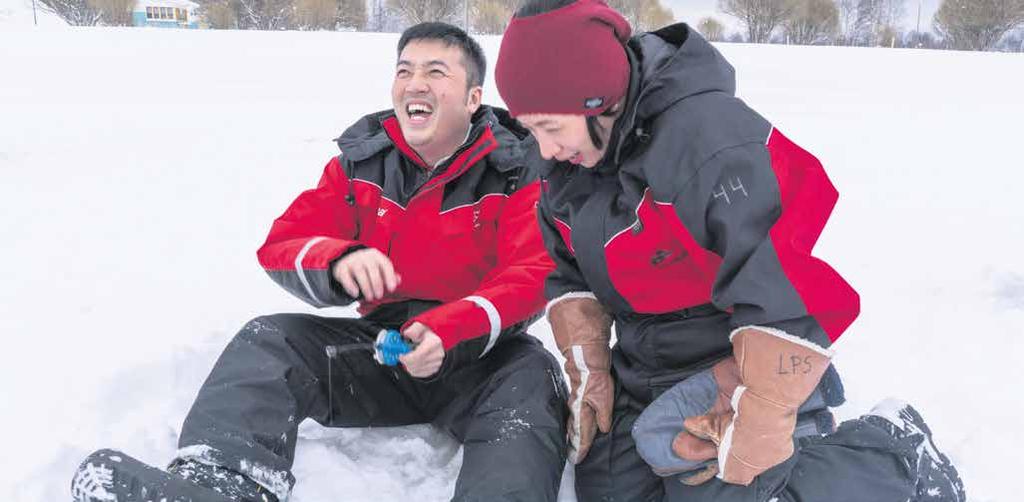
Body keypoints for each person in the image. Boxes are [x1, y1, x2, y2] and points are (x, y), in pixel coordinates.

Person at [71, 22, 568, 502]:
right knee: (270, 340)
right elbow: (285, 240)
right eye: (404, 70)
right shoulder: (361, 163)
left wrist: (451, 329)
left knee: (533, 384)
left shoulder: (519, 167)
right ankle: (220, 486)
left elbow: (534, 274)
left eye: (436, 72)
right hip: (384, 352)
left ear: (472, 98)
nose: (416, 83)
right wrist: (337, 260)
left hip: (481, 356)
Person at [494, 1, 967, 501]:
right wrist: (588, 364)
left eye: (550, 126)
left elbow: (776, 273)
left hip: (734, 353)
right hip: (642, 362)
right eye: (531, 129)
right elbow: (569, 270)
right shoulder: (569, 165)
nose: (543, 151)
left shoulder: (706, 140)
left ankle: (891, 450)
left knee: (739, 489)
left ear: (597, 99)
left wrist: (764, 404)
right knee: (612, 490)